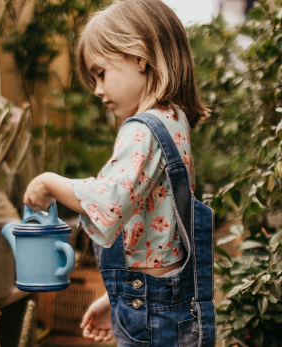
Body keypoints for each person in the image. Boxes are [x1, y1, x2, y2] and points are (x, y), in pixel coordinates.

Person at [23, 0, 215, 345]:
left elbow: (110, 202)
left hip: (154, 312)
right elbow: (159, 241)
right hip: (166, 304)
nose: (97, 90)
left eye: (101, 73)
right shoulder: (174, 121)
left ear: (139, 57)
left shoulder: (143, 128)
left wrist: (48, 182)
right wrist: (119, 301)